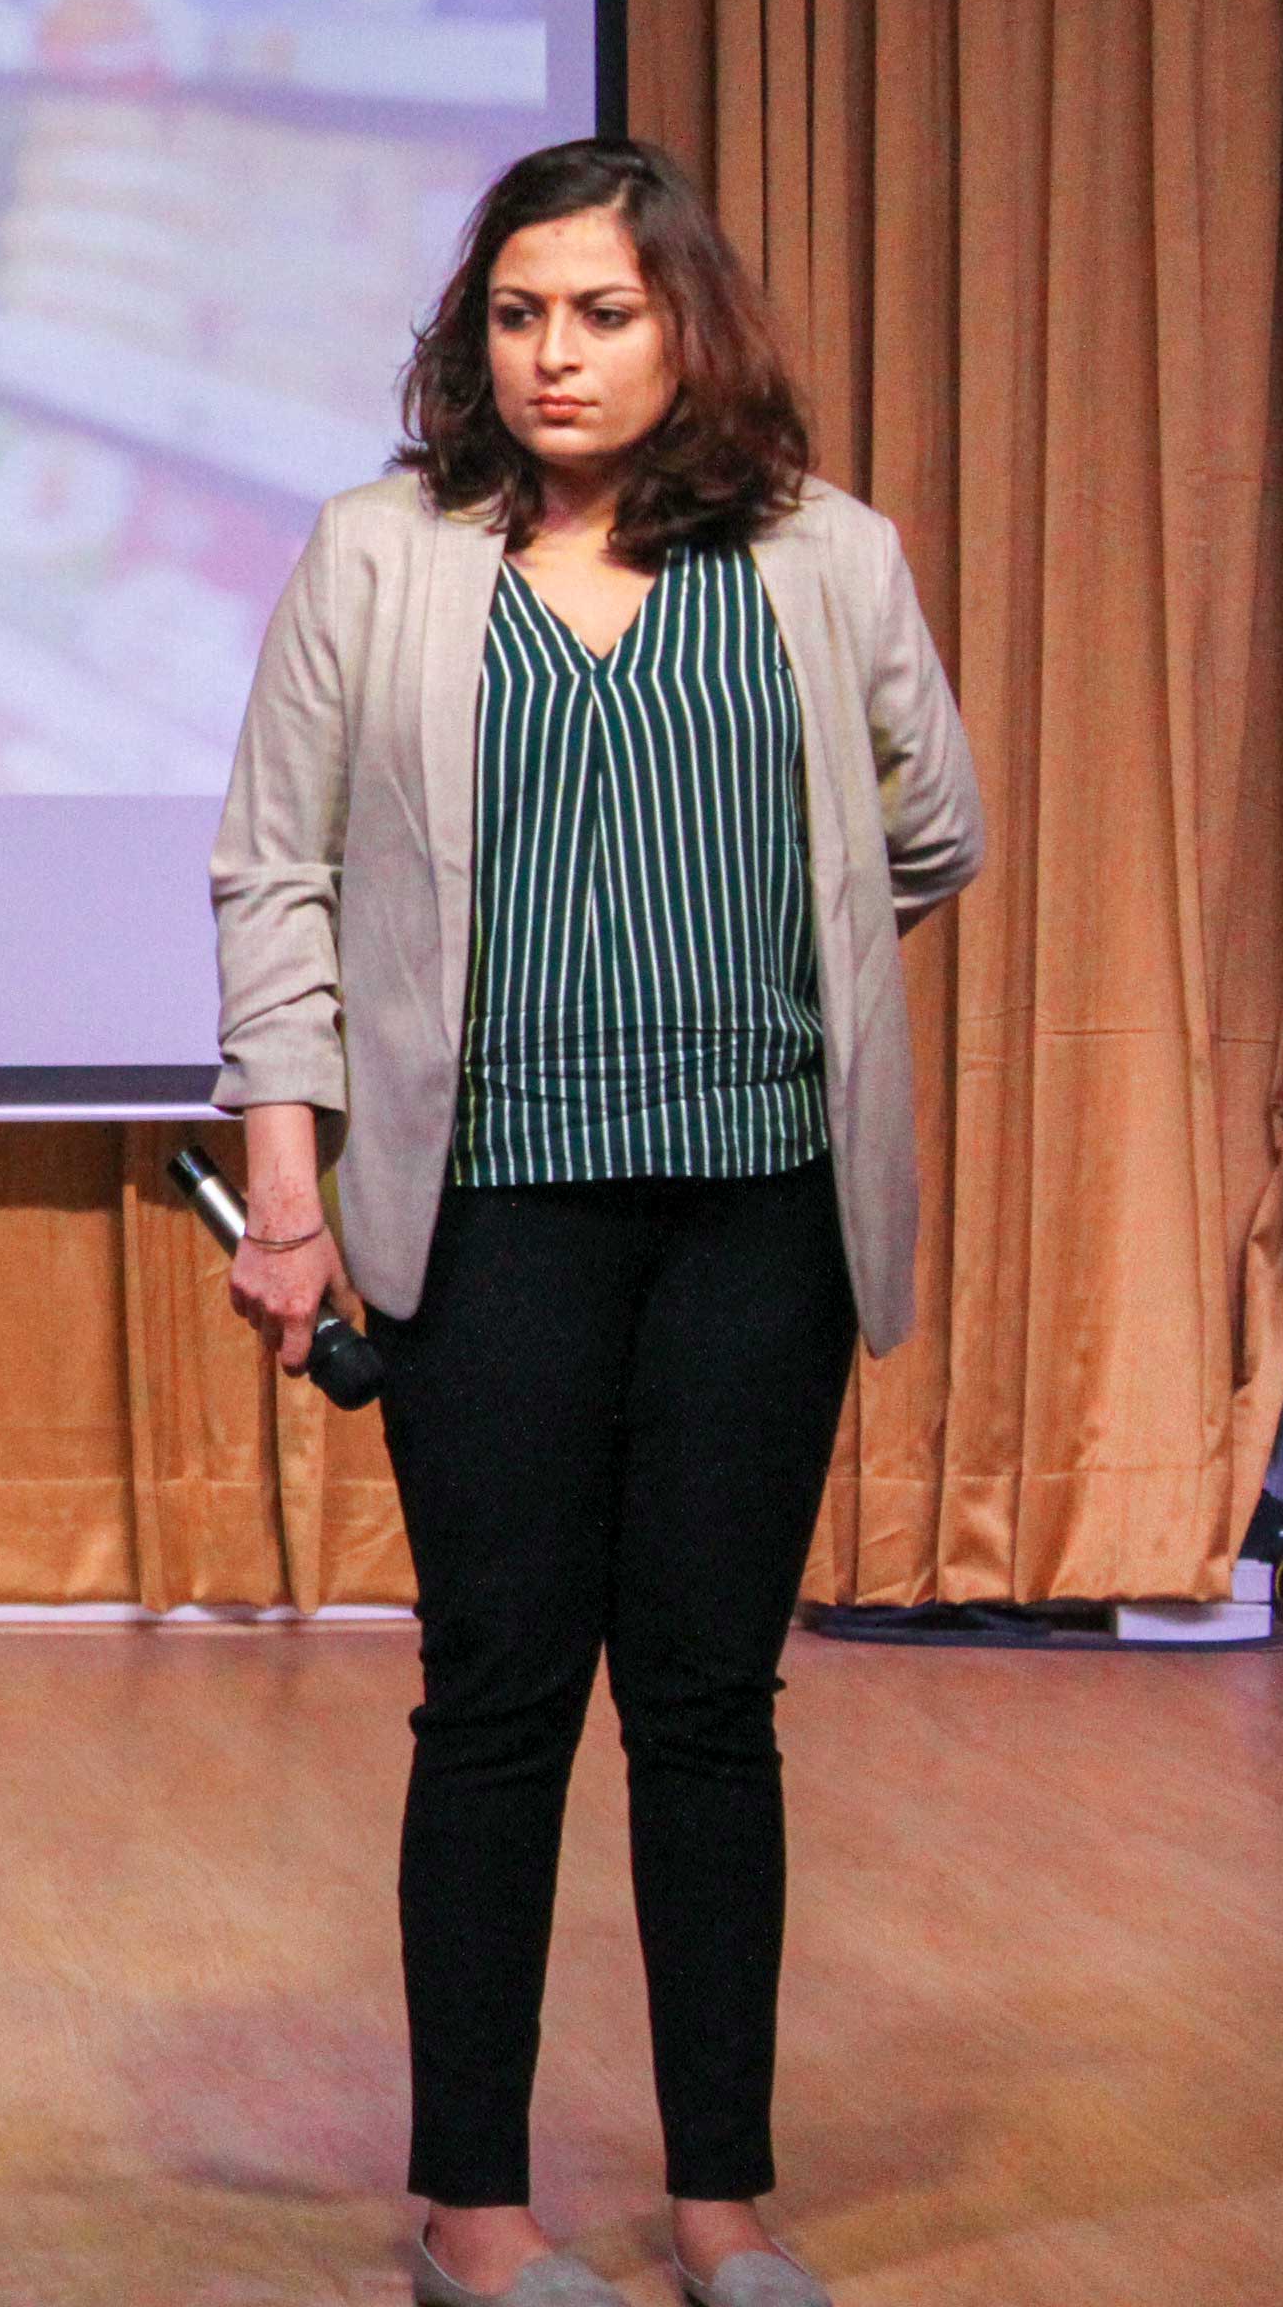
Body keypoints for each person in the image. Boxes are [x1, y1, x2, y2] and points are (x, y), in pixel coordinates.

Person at [207, 138, 981, 2307]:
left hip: (763, 1213)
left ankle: (723, 2200)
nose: (556, 355)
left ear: (687, 329)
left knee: (714, 1705)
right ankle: (475, 2210)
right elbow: (274, 876)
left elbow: (927, 830)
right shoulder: (381, 554)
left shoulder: (827, 556)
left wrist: (768, 960)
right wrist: (289, 1187)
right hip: (492, 1217)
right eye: (520, 314)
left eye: (605, 314)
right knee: (501, 1699)